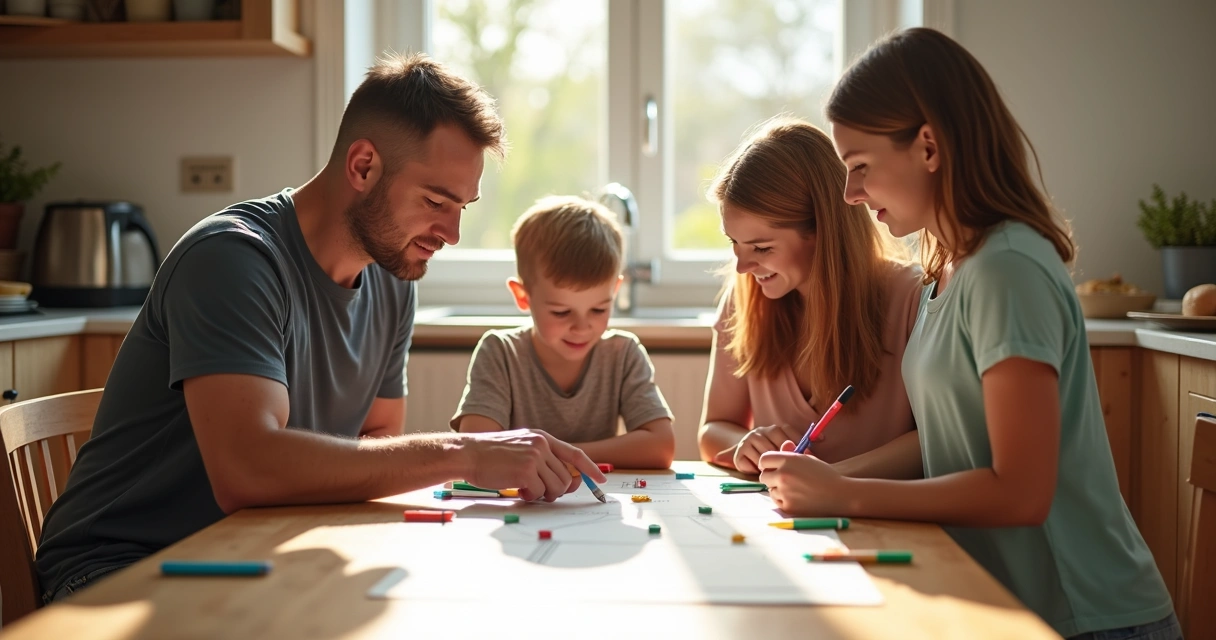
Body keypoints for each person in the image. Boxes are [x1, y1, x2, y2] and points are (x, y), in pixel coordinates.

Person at [35, 54, 605, 603]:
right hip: (118, 571)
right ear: (363, 166)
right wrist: (467, 452)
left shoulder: (391, 281)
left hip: (259, 551)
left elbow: (379, 437)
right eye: (436, 201)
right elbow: (246, 469)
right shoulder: (233, 259)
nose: (451, 233)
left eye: (462, 207)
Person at [759, 28, 1176, 639]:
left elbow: (1020, 493)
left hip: (1086, 616)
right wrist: (832, 478)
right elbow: (951, 441)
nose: (849, 194)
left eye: (860, 168)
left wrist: (844, 495)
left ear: (928, 146)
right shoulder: (946, 269)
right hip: (1006, 603)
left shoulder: (1007, 269)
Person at [696, 118, 923, 477]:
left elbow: (932, 442)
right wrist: (745, 444)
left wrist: (835, 482)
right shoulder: (743, 303)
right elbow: (713, 431)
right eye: (733, 243)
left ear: (821, 230)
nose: (741, 267)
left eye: (761, 247)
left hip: (882, 523)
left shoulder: (911, 297)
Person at [452, 196, 676, 469]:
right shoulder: (501, 352)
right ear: (523, 297)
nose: (582, 328)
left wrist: (560, 454)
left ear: (615, 293)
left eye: (598, 310)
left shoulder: (623, 353)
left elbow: (661, 447)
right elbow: (477, 447)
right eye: (561, 312)